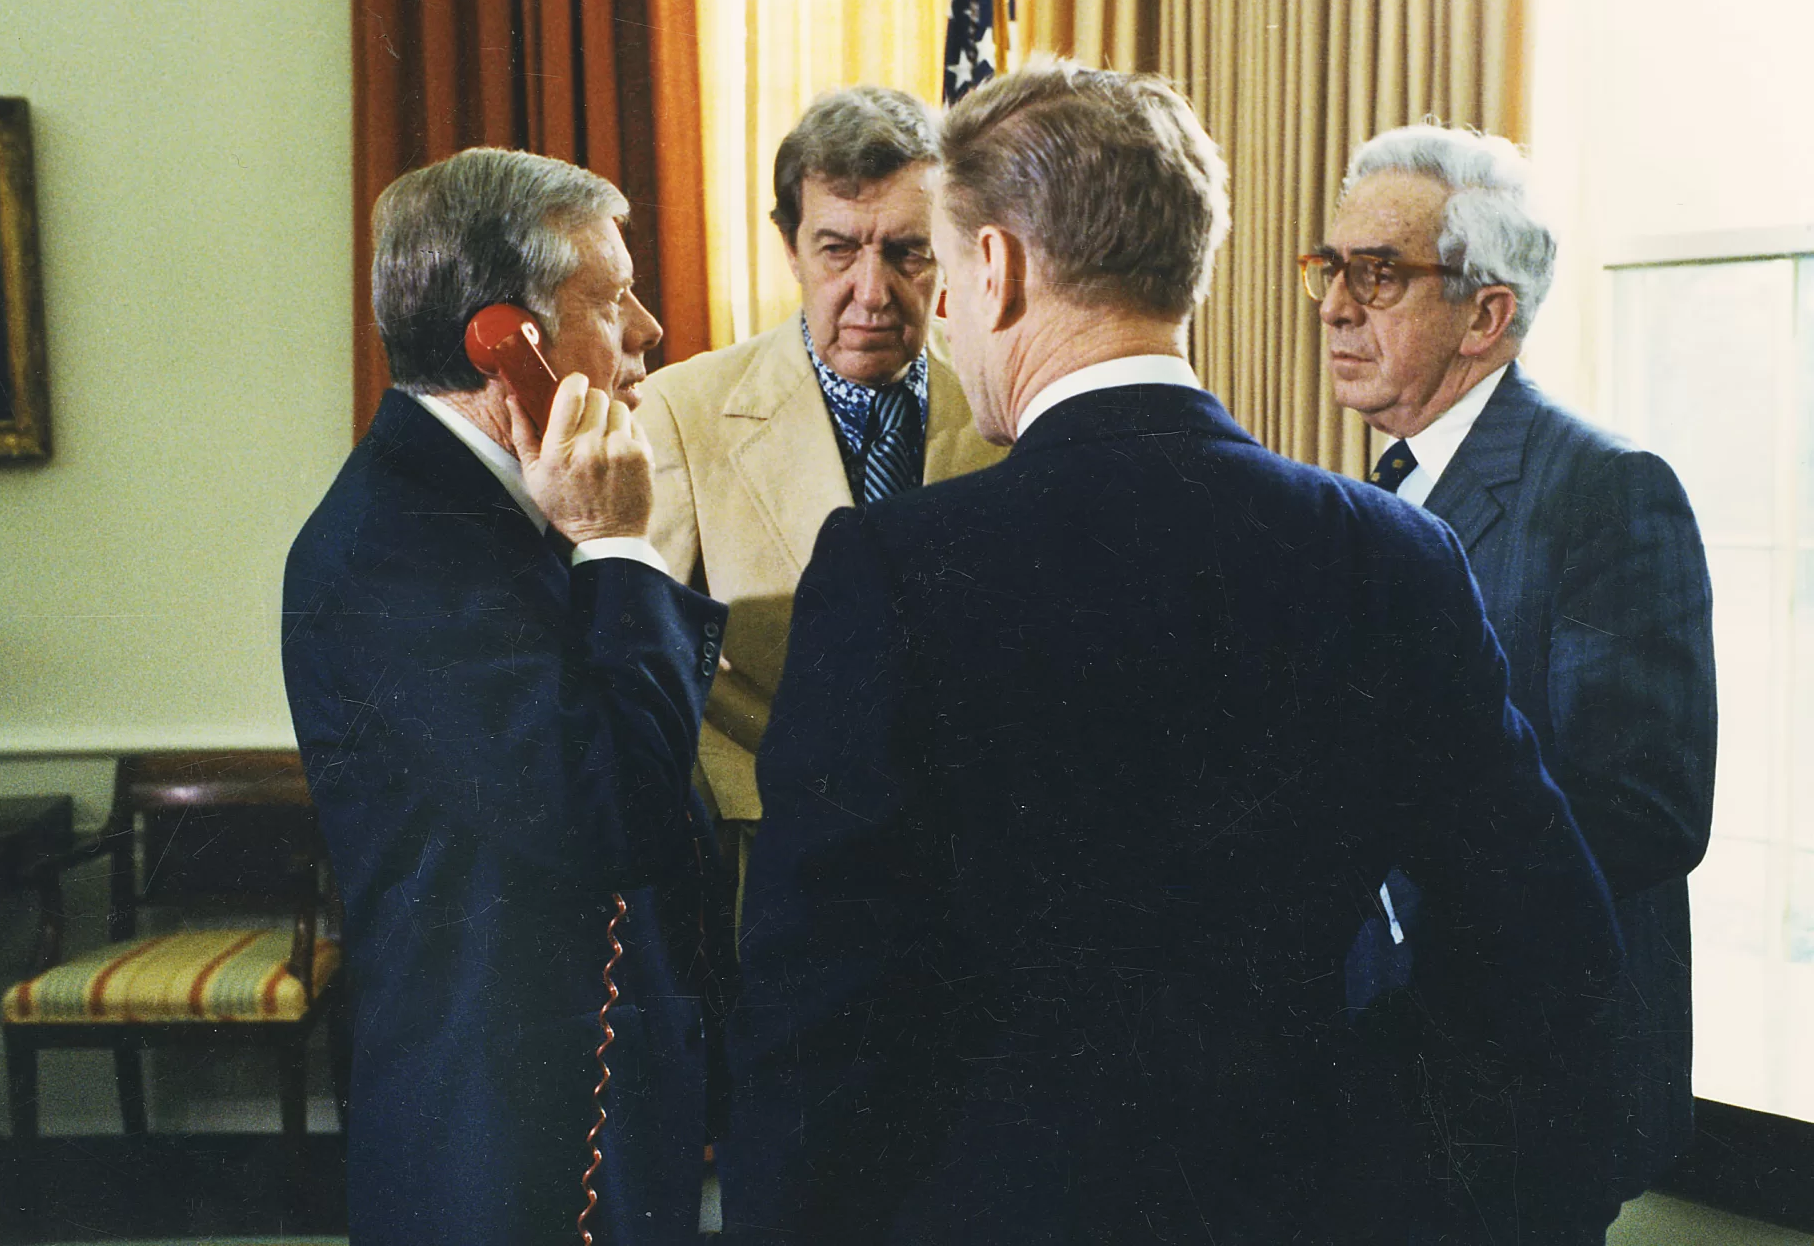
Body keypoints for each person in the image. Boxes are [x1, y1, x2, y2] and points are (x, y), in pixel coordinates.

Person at [722, 61, 1625, 1245]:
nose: (935, 312)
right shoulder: (1389, 554)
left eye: (940, 269)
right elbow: (1547, 955)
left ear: (992, 270)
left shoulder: (895, 570)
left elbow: (815, 1023)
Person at [281, 147, 727, 1246]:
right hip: (504, 1131)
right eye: (611, 298)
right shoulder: (398, 545)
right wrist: (618, 544)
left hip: (584, 1089)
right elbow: (611, 808)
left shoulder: (497, 507)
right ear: (502, 340)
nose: (649, 332)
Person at [1311, 124, 1717, 1233]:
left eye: (1378, 274)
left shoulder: (1605, 491)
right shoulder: (1356, 494)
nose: (1335, 305)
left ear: (1485, 314)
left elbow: (1642, 807)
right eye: (1330, 267)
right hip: (1376, 1075)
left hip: (1518, 1084)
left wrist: (1367, 855)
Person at [635, 86, 1003, 904]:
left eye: (907, 252)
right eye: (838, 249)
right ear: (789, 245)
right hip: (765, 857)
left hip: (964, 859)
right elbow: (649, 660)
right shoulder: (682, 409)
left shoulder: (1006, 409)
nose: (871, 292)